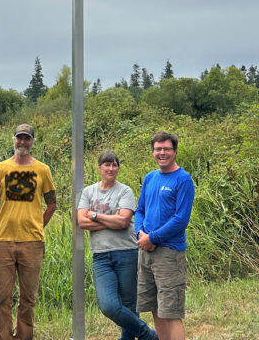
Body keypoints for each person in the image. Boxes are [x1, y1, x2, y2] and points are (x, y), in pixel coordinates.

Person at [0, 123, 57, 340]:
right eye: (19, 138)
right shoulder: (0, 169)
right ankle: (4, 336)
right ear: (13, 139)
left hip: (32, 243)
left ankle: (24, 336)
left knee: (28, 298)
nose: (23, 142)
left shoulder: (43, 170)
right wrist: (4, 223)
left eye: (27, 138)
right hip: (4, 242)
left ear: (32, 141)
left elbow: (52, 204)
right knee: (2, 298)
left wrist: (37, 224)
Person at [78, 151, 158, 340]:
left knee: (130, 304)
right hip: (101, 256)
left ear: (118, 168)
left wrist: (95, 215)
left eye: (114, 165)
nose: (111, 168)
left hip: (127, 252)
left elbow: (123, 222)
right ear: (99, 168)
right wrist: (112, 220)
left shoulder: (125, 191)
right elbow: (81, 222)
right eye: (107, 165)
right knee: (109, 306)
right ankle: (148, 335)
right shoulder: (89, 192)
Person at [134, 131, 195, 340]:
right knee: (155, 308)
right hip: (146, 250)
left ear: (175, 151)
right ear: (153, 152)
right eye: (158, 149)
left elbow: (181, 219)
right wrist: (140, 233)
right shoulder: (150, 178)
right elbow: (140, 209)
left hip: (169, 252)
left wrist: (153, 238)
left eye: (167, 149)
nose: (162, 153)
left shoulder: (183, 179)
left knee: (171, 311)